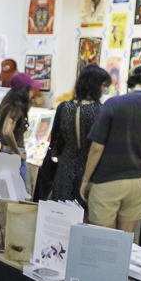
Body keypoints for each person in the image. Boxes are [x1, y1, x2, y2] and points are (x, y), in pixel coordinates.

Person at [81, 64, 141, 233]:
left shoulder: (113, 104)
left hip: (108, 179)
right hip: (140, 181)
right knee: (125, 238)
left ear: (129, 82)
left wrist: (86, 179)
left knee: (100, 238)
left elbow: (97, 147)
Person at [47, 65, 107, 203]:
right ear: (95, 85)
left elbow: (55, 141)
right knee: (83, 210)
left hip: (65, 166)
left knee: (61, 209)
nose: (105, 90)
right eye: (103, 85)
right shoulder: (101, 110)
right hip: (90, 169)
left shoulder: (64, 107)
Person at [0, 74, 42, 160]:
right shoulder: (15, 108)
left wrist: (5, 144)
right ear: (25, 91)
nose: (33, 92)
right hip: (15, 154)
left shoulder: (7, 105)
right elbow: (7, 132)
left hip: (4, 151)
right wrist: (16, 152)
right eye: (31, 89)